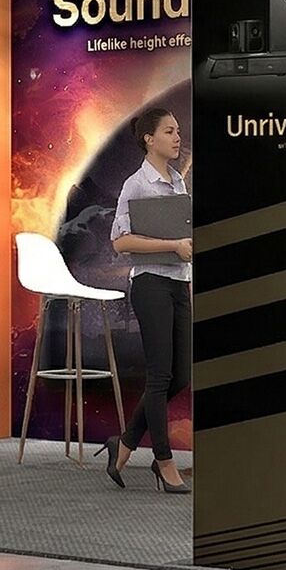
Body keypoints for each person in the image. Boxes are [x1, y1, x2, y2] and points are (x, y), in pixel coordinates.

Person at [101, 107, 192, 495]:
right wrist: (172, 245)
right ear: (149, 139)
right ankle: (164, 460)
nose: (177, 137)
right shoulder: (136, 185)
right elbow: (119, 241)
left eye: (178, 131)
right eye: (169, 131)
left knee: (181, 375)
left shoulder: (178, 182)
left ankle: (124, 443)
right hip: (151, 283)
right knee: (159, 376)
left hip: (179, 283)